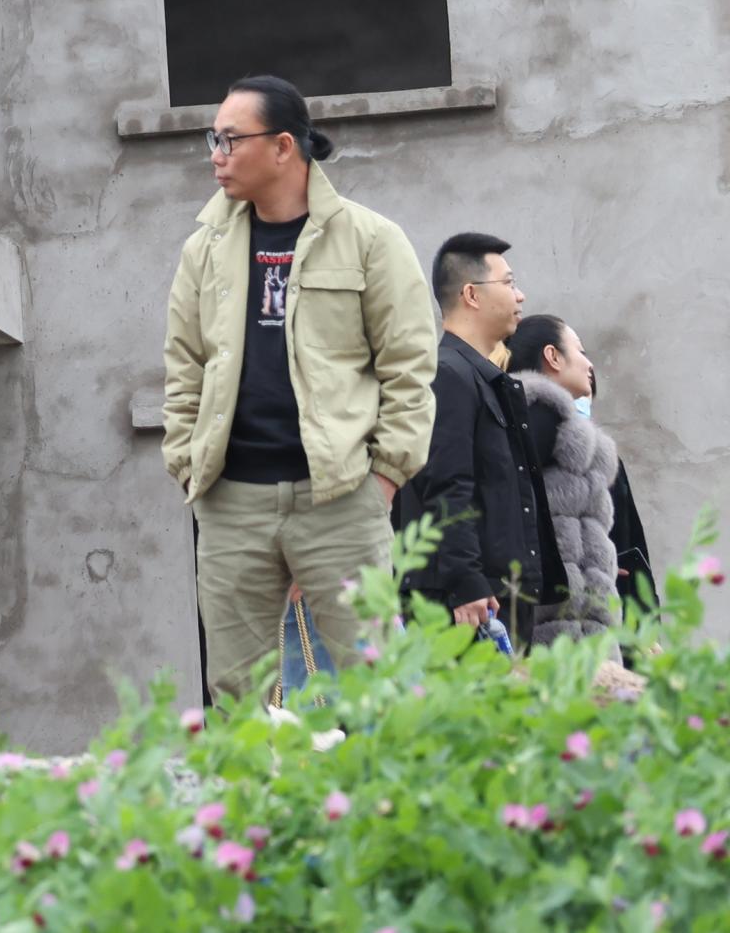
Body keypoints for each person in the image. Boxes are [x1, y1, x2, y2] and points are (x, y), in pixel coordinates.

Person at [162, 74, 436, 700]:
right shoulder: (203, 250)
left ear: (284, 146)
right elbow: (184, 366)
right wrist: (187, 463)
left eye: (230, 139)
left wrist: (384, 480)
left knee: (380, 686)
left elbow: (410, 367)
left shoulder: (371, 239)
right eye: (213, 139)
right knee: (238, 694)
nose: (216, 155)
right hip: (231, 503)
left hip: (340, 499)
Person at [397, 234, 566, 642]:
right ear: (472, 294)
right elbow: (446, 485)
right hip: (467, 606)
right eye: (509, 283)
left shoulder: (482, 378)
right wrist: (465, 581)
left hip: (496, 596)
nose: (520, 296)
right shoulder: (448, 375)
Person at [506, 314, 657, 642]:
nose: (589, 364)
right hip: (560, 626)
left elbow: (627, 541)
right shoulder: (534, 425)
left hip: (590, 622)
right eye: (581, 351)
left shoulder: (583, 447)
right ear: (552, 356)